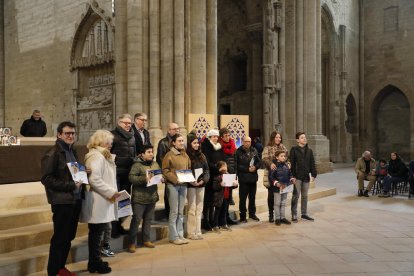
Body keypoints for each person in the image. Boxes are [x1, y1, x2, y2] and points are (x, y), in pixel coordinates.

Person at [41, 121, 83, 276]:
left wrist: (84, 174)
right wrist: (71, 185)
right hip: (62, 201)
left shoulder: (73, 150)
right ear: (59, 134)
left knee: (69, 236)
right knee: (60, 237)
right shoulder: (52, 153)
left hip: (75, 199)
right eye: (67, 133)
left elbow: (73, 172)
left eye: (72, 133)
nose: (71, 136)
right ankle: (53, 271)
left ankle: (61, 267)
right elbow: (47, 179)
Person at [82, 130, 120, 274]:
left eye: (111, 142)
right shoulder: (96, 157)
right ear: (99, 142)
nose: (110, 144)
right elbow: (94, 179)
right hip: (99, 200)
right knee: (96, 234)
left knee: (98, 233)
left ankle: (95, 261)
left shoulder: (102, 156)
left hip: (103, 199)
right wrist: (111, 192)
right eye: (107, 142)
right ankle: (94, 262)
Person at [128, 145, 160, 253]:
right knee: (136, 220)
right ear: (142, 154)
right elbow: (131, 178)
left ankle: (146, 240)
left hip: (151, 196)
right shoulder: (137, 165)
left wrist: (162, 178)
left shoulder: (155, 164)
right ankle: (132, 243)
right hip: (139, 197)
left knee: (148, 219)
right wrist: (143, 178)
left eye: (152, 152)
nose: (151, 154)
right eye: (148, 152)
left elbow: (158, 175)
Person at [162, 134, 191, 245]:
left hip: (183, 185)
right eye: (179, 141)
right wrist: (175, 179)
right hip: (173, 185)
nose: (181, 142)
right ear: (173, 143)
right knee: (174, 212)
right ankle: (173, 237)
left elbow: (188, 168)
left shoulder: (185, 155)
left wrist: (188, 177)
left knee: (180, 211)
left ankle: (180, 235)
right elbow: (165, 170)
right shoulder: (169, 155)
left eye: (182, 140)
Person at [110, 114, 136, 237]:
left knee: (124, 200)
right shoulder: (112, 135)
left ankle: (120, 224)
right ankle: (113, 227)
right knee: (116, 200)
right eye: (125, 123)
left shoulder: (132, 137)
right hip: (116, 173)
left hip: (128, 172)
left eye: (129, 123)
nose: (127, 125)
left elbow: (133, 153)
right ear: (118, 123)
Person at [186, 131, 210, 240]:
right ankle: (191, 233)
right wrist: (191, 181)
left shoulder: (202, 156)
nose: (196, 145)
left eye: (198, 143)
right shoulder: (186, 155)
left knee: (199, 208)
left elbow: (206, 170)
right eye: (194, 143)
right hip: (191, 185)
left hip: (200, 185)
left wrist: (203, 180)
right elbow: (185, 170)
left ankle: (198, 231)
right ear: (190, 144)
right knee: (191, 208)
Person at [290, 132, 317, 222]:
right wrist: (292, 176)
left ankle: (304, 213)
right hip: (297, 176)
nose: (304, 139)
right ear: (298, 140)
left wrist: (313, 174)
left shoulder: (309, 150)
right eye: (302, 138)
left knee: (305, 196)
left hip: (306, 176)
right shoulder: (294, 150)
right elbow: (292, 164)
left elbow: (312, 163)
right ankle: (294, 214)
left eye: (305, 137)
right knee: (296, 196)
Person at [262, 131, 288, 223]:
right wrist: (271, 163)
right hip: (271, 174)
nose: (278, 139)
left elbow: (286, 158)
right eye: (276, 137)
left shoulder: (283, 147)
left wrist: (288, 164)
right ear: (273, 138)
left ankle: (281, 216)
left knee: (282, 197)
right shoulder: (267, 147)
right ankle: (271, 215)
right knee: (271, 196)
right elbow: (264, 158)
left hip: (282, 176)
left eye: (279, 137)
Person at [201, 129, 224, 230]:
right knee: (207, 201)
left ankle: (212, 220)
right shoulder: (206, 146)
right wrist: (218, 169)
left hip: (217, 177)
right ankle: (206, 221)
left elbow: (222, 160)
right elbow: (207, 162)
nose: (215, 138)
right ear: (209, 137)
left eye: (216, 136)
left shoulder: (219, 147)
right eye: (213, 136)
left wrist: (223, 168)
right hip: (209, 176)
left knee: (214, 201)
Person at [156, 122, 180, 218]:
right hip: (169, 172)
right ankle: (168, 213)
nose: (177, 130)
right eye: (174, 129)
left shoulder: (180, 141)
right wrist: (165, 172)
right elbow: (160, 158)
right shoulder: (163, 142)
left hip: (179, 171)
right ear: (169, 130)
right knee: (169, 193)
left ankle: (176, 213)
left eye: (178, 129)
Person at [235, 136, 261, 222]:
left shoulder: (254, 150)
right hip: (243, 179)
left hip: (253, 178)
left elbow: (258, 162)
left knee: (252, 198)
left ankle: (252, 214)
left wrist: (255, 167)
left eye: (249, 141)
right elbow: (237, 165)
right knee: (242, 198)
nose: (248, 143)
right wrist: (247, 169)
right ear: (242, 142)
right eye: (246, 141)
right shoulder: (238, 152)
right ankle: (242, 216)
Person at [269, 151, 294, 226]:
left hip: (285, 187)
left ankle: (282, 217)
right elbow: (271, 177)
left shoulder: (286, 166)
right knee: (277, 203)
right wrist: (276, 183)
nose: (283, 157)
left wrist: (292, 178)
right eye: (281, 156)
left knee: (283, 203)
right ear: (277, 157)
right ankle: (277, 218)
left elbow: (290, 174)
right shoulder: (274, 166)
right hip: (277, 188)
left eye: (284, 156)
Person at [211, 161, 238, 233]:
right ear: (219, 168)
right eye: (223, 167)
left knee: (225, 211)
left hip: (226, 197)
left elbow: (231, 186)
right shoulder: (217, 176)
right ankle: (215, 225)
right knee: (217, 212)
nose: (225, 168)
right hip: (219, 197)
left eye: (225, 167)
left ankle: (224, 224)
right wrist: (220, 185)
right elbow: (214, 187)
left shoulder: (228, 175)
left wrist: (235, 184)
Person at [218, 127, 238, 225]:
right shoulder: (219, 147)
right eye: (225, 136)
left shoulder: (233, 146)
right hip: (223, 175)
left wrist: (235, 174)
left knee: (228, 197)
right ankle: (222, 219)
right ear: (221, 137)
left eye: (228, 135)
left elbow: (235, 161)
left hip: (232, 174)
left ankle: (226, 217)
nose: (227, 137)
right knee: (223, 198)